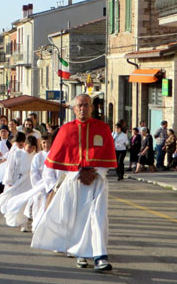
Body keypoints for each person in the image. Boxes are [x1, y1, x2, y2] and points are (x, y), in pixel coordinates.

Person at [31, 93, 117, 271]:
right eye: (79, 106)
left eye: (86, 105)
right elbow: (57, 161)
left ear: (91, 107)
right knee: (78, 219)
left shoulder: (102, 129)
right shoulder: (66, 130)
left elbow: (107, 154)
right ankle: (81, 253)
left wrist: (94, 172)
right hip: (75, 182)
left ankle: (100, 255)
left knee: (98, 217)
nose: (82, 109)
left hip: (97, 182)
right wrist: (79, 172)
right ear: (74, 109)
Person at [0, 133, 38, 231]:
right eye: (29, 147)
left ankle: (24, 223)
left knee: (27, 202)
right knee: (19, 201)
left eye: (32, 148)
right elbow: (10, 167)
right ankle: (19, 220)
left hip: (30, 181)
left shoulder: (35, 156)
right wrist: (9, 180)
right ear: (25, 145)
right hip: (19, 181)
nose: (30, 150)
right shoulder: (17, 153)